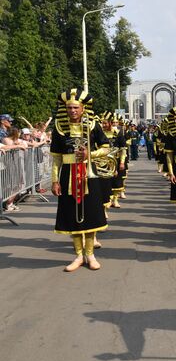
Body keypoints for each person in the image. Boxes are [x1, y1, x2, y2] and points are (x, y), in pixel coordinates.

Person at [50, 88, 110, 271]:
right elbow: (57, 158)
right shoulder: (59, 128)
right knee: (72, 216)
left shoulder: (93, 125)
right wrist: (54, 181)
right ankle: (78, 256)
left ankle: (90, 254)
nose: (73, 111)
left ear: (83, 108)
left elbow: (106, 147)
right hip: (68, 176)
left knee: (90, 215)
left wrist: (89, 154)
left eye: (76, 107)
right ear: (65, 109)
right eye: (69, 108)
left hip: (88, 174)